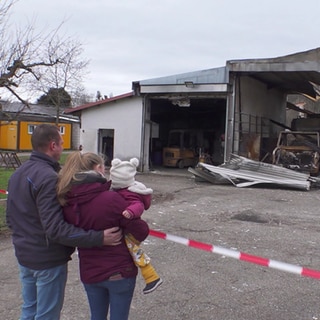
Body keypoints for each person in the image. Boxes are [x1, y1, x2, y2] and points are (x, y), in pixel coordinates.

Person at [6, 124, 122, 320]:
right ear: (53, 146)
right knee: (46, 315)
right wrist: (98, 237)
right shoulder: (48, 178)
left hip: (24, 256)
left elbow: (10, 218)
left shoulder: (18, 173)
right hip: (47, 261)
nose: (62, 147)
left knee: (29, 310)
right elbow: (56, 229)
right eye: (61, 143)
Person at [56, 152, 149, 320]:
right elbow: (141, 232)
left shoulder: (66, 201)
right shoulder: (111, 198)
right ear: (98, 168)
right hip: (118, 270)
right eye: (104, 167)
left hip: (89, 271)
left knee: (96, 316)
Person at [110, 157, 163, 294]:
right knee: (130, 249)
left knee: (132, 249)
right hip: (131, 226)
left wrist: (130, 212)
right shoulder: (120, 190)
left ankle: (152, 277)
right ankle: (151, 277)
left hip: (134, 227)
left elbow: (138, 205)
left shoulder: (131, 192)